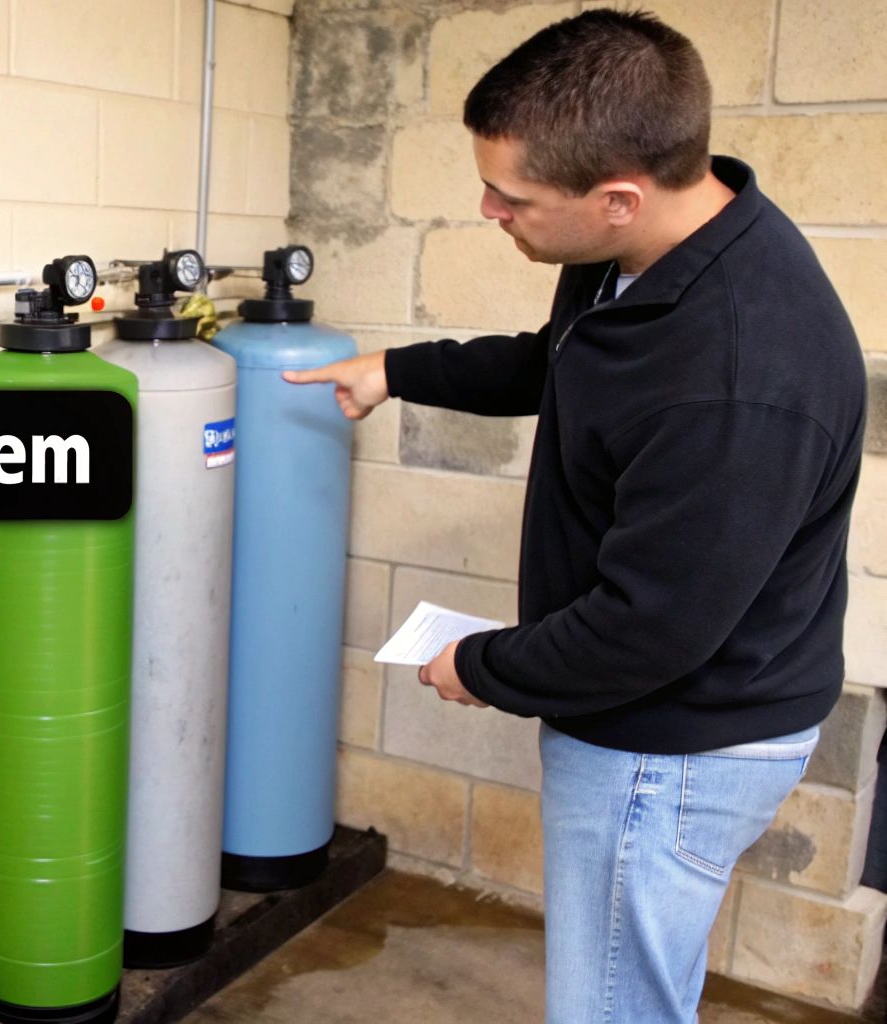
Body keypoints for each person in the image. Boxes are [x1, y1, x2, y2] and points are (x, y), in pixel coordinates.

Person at [286, 9, 866, 1023]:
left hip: (670, 749)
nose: (487, 210)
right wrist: (396, 369)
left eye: (511, 198)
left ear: (617, 197)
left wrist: (481, 667)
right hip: (661, 710)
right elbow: (563, 360)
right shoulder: (644, 252)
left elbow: (648, 630)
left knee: (611, 1009)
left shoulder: (736, 372)